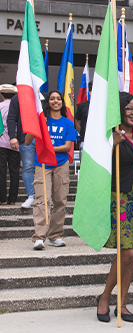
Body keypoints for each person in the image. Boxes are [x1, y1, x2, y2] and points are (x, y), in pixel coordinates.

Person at [96, 92, 133, 323]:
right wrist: (112, 144)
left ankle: (122, 303)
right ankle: (104, 297)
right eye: (129, 109)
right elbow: (97, 163)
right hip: (117, 194)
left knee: (132, 255)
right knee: (127, 251)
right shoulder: (108, 135)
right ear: (119, 110)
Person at [26, 91, 77, 250]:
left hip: (60, 164)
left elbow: (67, 147)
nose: (56, 101)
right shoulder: (42, 120)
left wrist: (49, 148)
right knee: (42, 200)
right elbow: (27, 141)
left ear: (62, 102)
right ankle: (39, 237)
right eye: (52, 98)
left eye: (59, 99)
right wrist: (36, 125)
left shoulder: (68, 122)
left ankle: (55, 236)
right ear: (48, 102)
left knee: (60, 200)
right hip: (42, 163)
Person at [7, 92, 36, 208]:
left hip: (44, 139)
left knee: (47, 167)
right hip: (25, 138)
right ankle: (31, 196)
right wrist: (12, 137)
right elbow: (11, 118)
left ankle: (46, 196)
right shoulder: (17, 98)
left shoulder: (42, 96)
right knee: (28, 167)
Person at [0, 85, 19, 205]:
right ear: (14, 95)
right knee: (14, 171)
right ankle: (12, 199)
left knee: (1, 171)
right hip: (15, 142)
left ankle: (2, 199)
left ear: (1, 94)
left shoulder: (0, 106)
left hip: (1, 141)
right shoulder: (17, 106)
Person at [74, 82, 92, 148]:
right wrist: (83, 133)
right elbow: (77, 122)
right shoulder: (82, 106)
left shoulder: (105, 107)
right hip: (85, 141)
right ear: (90, 92)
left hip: (101, 142)